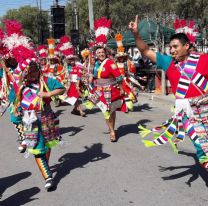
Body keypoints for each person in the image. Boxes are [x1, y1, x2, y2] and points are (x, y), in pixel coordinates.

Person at [129, 15, 208, 171]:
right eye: (170, 47)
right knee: (202, 148)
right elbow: (145, 50)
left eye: (175, 47)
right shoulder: (168, 62)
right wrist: (136, 34)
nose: (171, 50)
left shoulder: (204, 60)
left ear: (187, 46)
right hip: (188, 114)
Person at [12, 60, 65, 190]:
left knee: (47, 145)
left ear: (39, 70)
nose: (32, 73)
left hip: (46, 117)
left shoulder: (46, 81)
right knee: (37, 147)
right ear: (24, 73)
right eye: (29, 71)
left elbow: (62, 89)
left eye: (35, 70)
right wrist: (17, 110)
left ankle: (44, 164)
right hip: (29, 120)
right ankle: (48, 176)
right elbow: (14, 101)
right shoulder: (20, 85)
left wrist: (48, 94)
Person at [85, 46, 126, 142]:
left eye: (102, 52)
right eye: (98, 53)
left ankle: (112, 130)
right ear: (96, 54)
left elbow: (118, 77)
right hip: (99, 90)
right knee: (106, 112)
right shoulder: (93, 63)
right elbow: (91, 73)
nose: (101, 54)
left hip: (109, 90)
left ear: (105, 53)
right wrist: (90, 77)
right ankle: (112, 130)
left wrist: (121, 89)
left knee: (111, 111)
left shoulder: (110, 63)